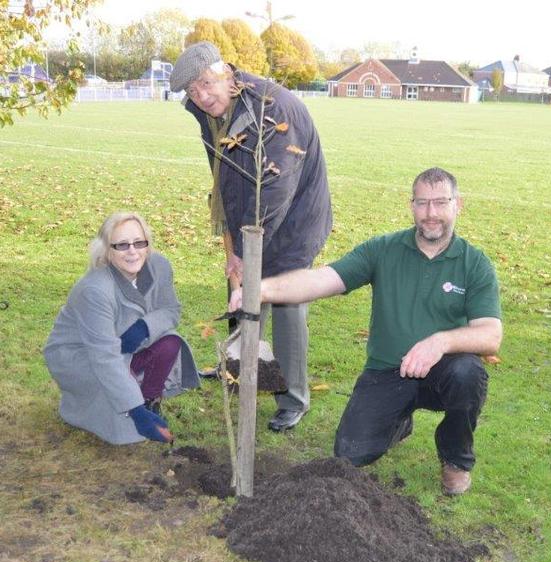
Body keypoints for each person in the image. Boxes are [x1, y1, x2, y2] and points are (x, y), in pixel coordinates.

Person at [230, 168, 502, 495]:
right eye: (422, 203)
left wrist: (441, 342)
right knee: (350, 453)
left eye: (441, 203)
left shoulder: (474, 263)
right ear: (411, 205)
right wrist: (260, 290)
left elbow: (490, 335)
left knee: (468, 373)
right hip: (389, 370)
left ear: (458, 205)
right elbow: (321, 279)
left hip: (445, 370)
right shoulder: (383, 249)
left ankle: (455, 460)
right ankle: (398, 420)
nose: (431, 213)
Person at [169, 42, 332, 433]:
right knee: (240, 294)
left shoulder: (272, 110)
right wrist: (232, 247)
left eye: (207, 83)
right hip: (245, 217)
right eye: (193, 91)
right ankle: (238, 367)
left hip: (294, 221)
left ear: (226, 71)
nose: (202, 96)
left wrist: (244, 252)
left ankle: (293, 398)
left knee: (288, 305)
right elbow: (222, 177)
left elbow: (275, 190)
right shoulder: (210, 115)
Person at [44, 213, 200, 445]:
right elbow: (104, 358)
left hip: (118, 346)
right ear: (107, 250)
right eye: (121, 245)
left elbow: (171, 309)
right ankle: (100, 405)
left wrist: (144, 328)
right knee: (127, 433)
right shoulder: (94, 289)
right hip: (79, 356)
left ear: (147, 244)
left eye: (139, 242)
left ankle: (148, 400)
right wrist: (135, 413)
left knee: (170, 341)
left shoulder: (159, 266)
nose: (132, 251)